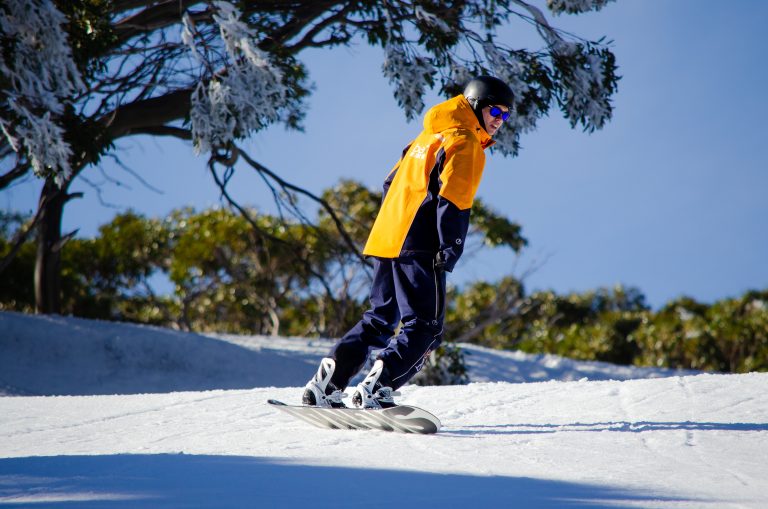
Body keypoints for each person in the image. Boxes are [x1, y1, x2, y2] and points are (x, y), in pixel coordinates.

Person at [303, 75, 514, 409]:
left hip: (389, 234)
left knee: (379, 319)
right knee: (426, 326)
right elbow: (454, 197)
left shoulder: (429, 135)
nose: (499, 121)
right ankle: (377, 387)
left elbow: (390, 182)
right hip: (419, 241)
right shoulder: (465, 140)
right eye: (495, 112)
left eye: (505, 115)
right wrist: (451, 244)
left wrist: (396, 224)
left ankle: (328, 383)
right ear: (474, 106)